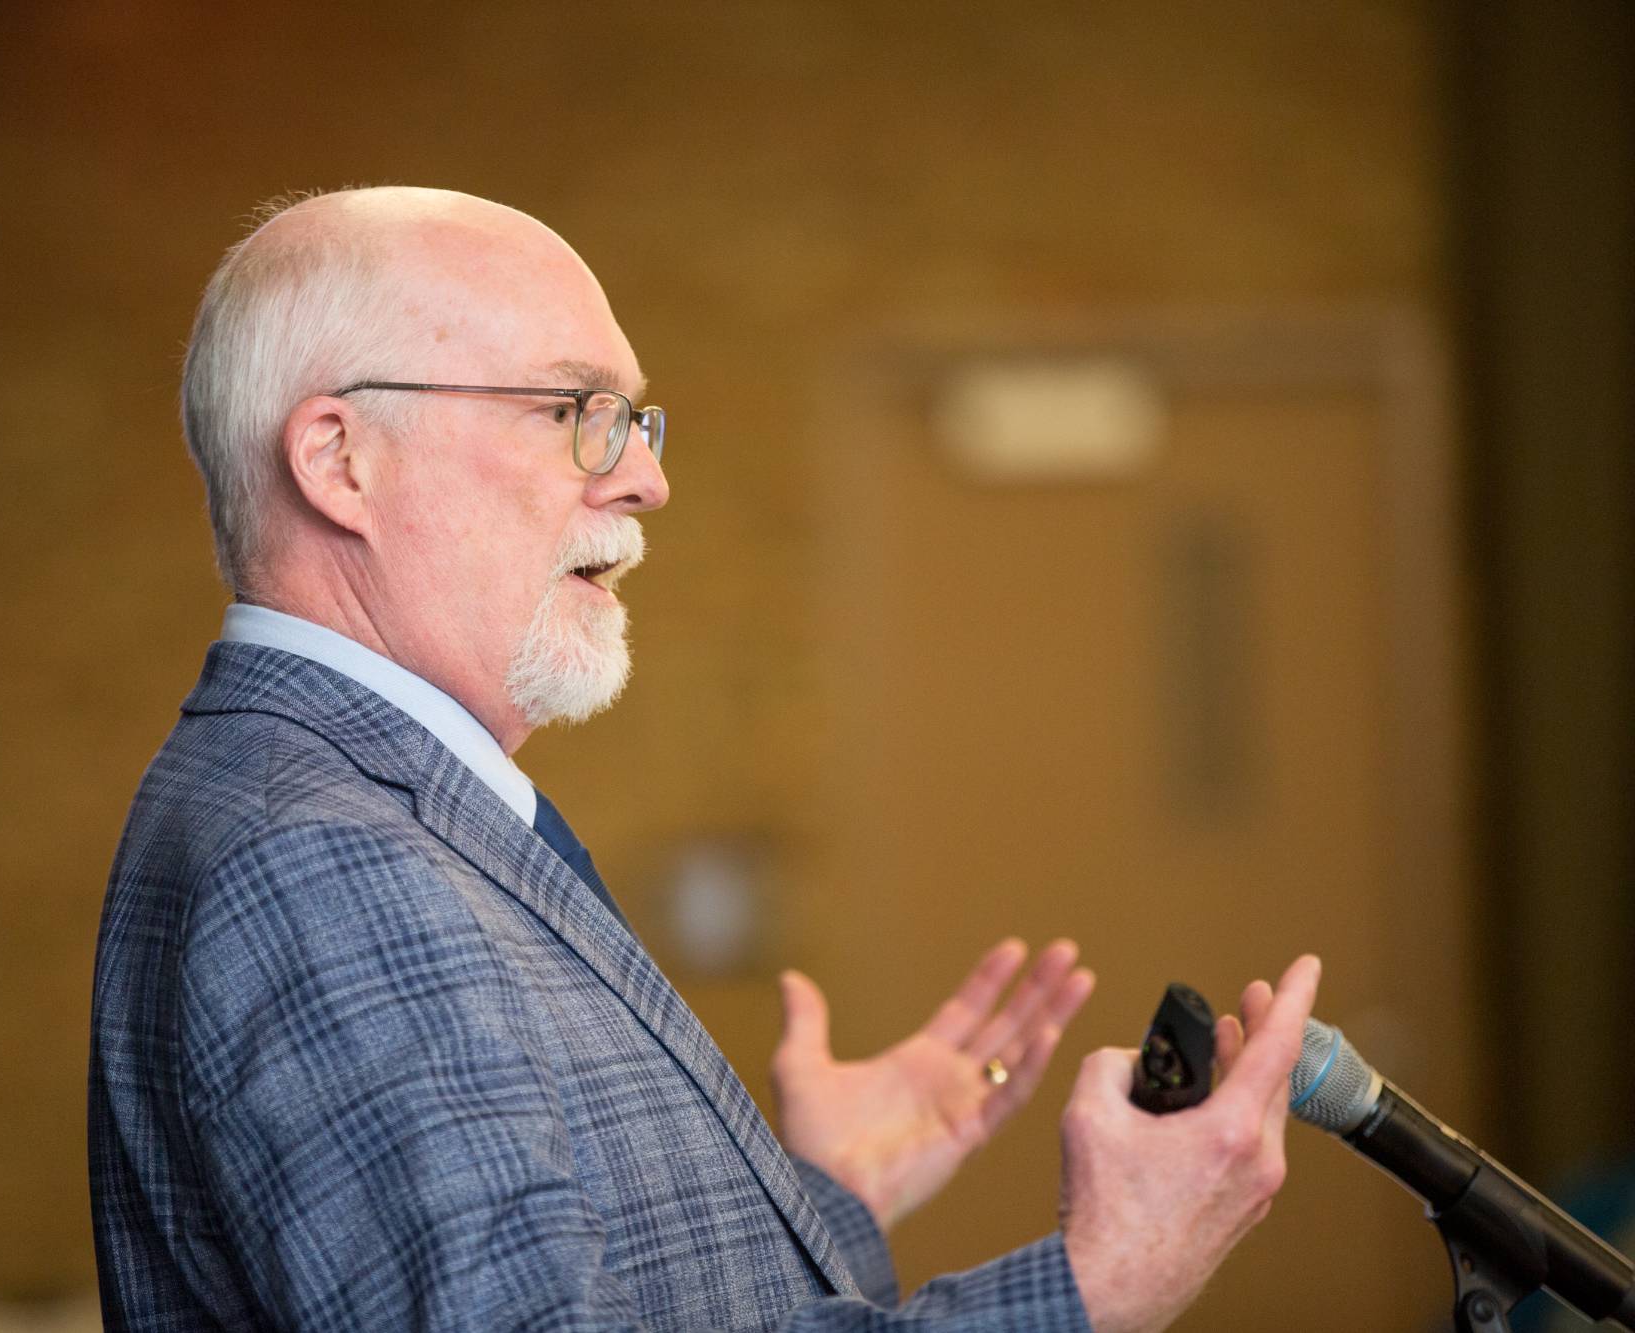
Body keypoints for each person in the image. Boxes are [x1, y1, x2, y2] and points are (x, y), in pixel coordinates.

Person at [88, 185, 1321, 1331]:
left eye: (634, 421)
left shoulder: (363, 809)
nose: (646, 480)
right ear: (338, 459)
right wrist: (1099, 1277)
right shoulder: (322, 862)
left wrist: (824, 1194)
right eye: (576, 413)